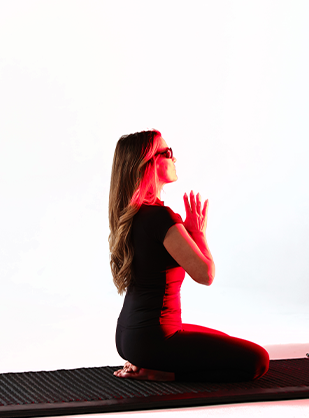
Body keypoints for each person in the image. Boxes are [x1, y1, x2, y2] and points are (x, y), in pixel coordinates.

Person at [107, 129, 269, 382]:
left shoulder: (133, 215)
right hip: (154, 341)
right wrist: (198, 233)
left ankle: (149, 363)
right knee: (257, 360)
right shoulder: (162, 218)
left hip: (128, 338)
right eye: (167, 152)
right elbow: (205, 275)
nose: (174, 158)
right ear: (147, 163)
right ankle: (161, 373)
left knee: (225, 342)